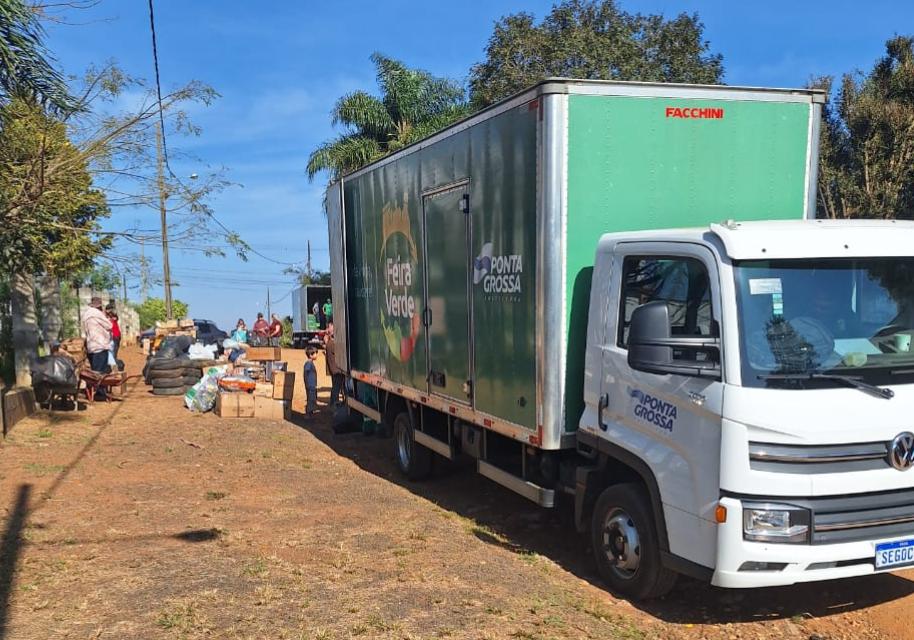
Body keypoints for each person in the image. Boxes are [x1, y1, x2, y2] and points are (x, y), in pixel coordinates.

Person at [82, 296, 112, 375]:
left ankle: (97, 387)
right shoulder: (97, 313)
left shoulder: (86, 314)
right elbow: (109, 326)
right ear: (99, 306)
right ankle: (100, 388)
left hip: (91, 346)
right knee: (100, 375)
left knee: (94, 373)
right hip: (100, 346)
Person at [324, 322, 345, 407]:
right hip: (336, 370)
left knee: (335, 387)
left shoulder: (329, 343)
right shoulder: (332, 344)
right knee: (336, 387)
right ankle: (334, 402)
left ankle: (333, 402)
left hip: (334, 369)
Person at [304, 346, 318, 415]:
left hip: (312, 385)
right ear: (310, 355)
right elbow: (306, 373)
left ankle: (310, 412)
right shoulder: (308, 363)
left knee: (312, 398)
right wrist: (307, 384)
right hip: (310, 385)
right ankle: (308, 413)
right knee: (310, 399)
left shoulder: (310, 363)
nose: (316, 355)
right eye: (315, 353)